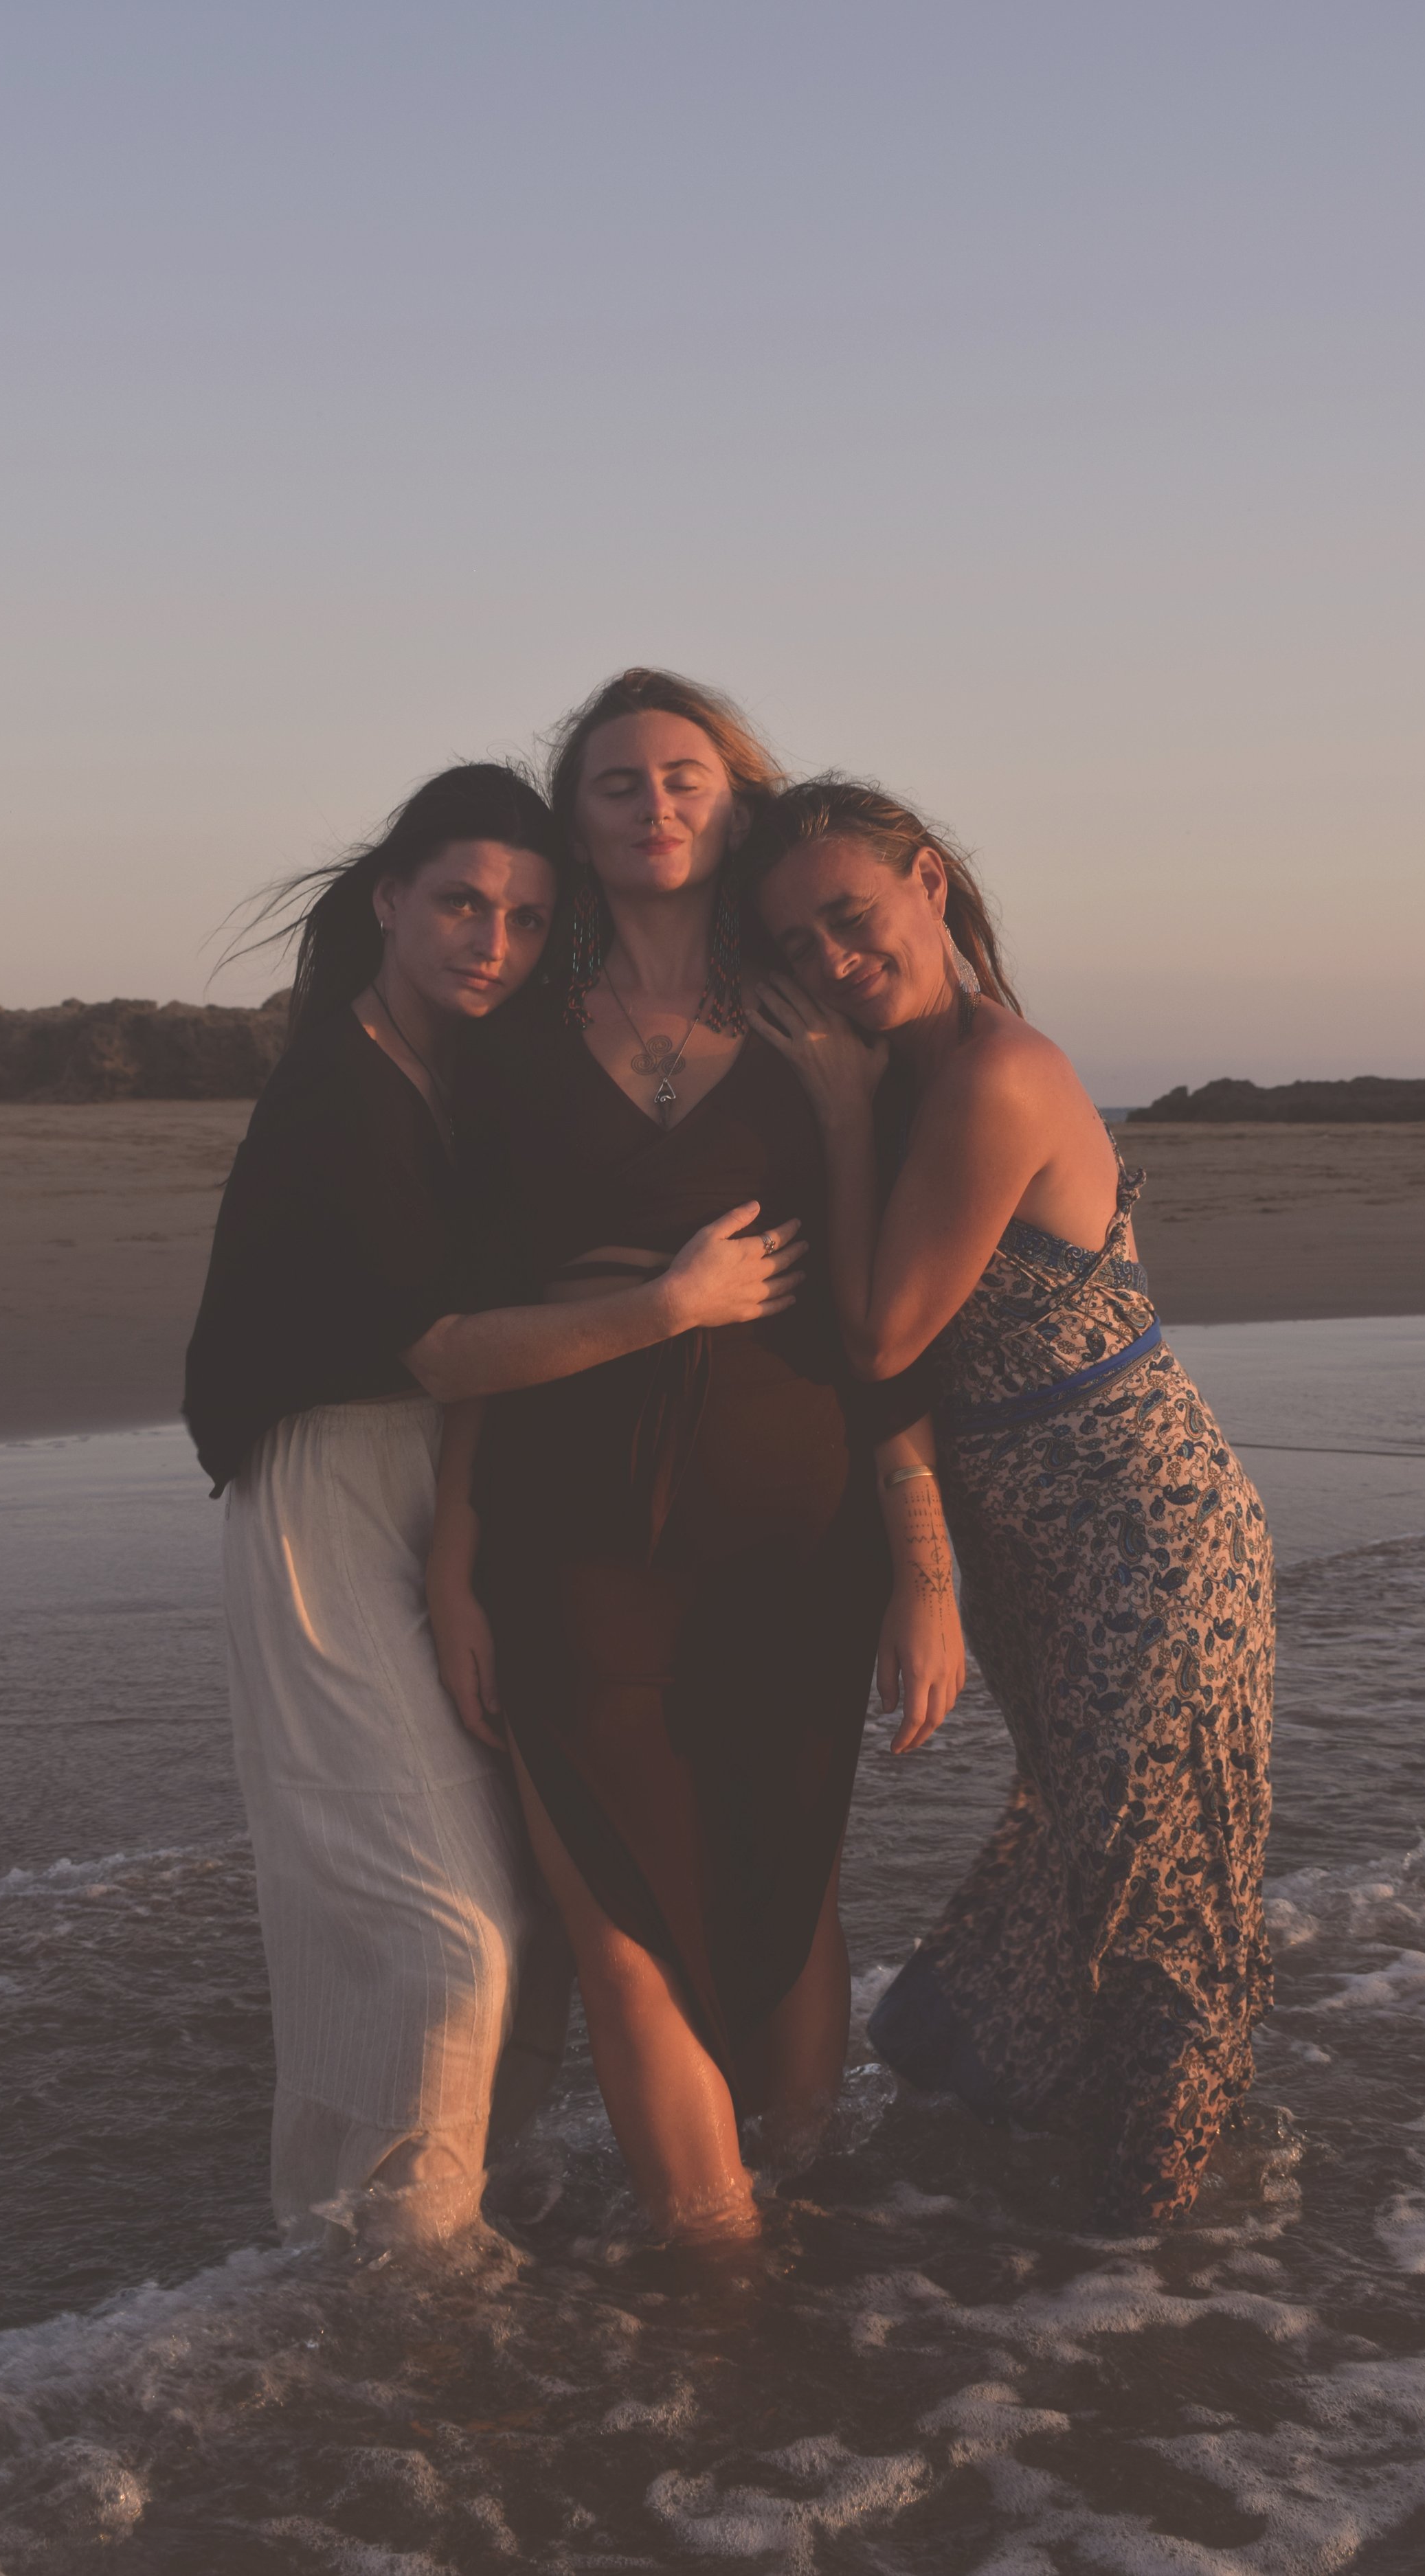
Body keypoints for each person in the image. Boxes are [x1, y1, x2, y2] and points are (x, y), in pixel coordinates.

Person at [183, 762, 807, 2248]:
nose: (492, 941)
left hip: (455, 1471)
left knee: (518, 1903)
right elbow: (448, 1343)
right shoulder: (339, 1089)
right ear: (388, 898)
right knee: (438, 1932)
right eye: (462, 903)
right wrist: (674, 1306)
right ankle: (386, 2282)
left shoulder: (462, 1070)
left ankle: (441, 2218)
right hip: (330, 1490)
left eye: (528, 920)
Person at [427, 677, 961, 2247]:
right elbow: (469, 1319)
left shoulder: (825, 1031)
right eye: (615, 785)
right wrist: (451, 1555)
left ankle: (813, 2258)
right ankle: (718, 2295)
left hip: (793, 1530)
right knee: (617, 1929)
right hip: (564, 1527)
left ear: (734, 805)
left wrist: (924, 1569)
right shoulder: (510, 1048)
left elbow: (882, 1325)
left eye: (685, 778)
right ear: (573, 824)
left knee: (786, 1904)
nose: (654, 806)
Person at [743, 778, 1275, 2230]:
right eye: (795, 947)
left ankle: (1144, 2298)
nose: (832, 961)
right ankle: (1133, 2234)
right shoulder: (915, 1072)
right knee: (1099, 1880)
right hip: (1041, 1569)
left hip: (1147, 1542)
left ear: (926, 881)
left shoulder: (985, 1075)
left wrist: (845, 1126)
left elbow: (878, 1337)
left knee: (1154, 1911)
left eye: (849, 920)